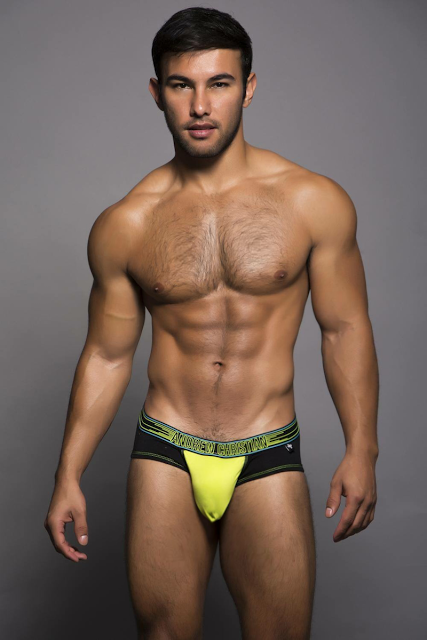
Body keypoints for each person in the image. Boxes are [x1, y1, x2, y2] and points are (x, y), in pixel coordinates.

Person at [44, 7, 379, 639]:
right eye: (182, 85)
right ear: (157, 93)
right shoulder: (126, 223)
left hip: (266, 445)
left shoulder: (313, 202)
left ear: (248, 88)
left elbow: (345, 329)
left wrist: (362, 449)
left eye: (219, 84)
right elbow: (108, 355)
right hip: (166, 447)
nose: (200, 106)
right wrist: (68, 473)